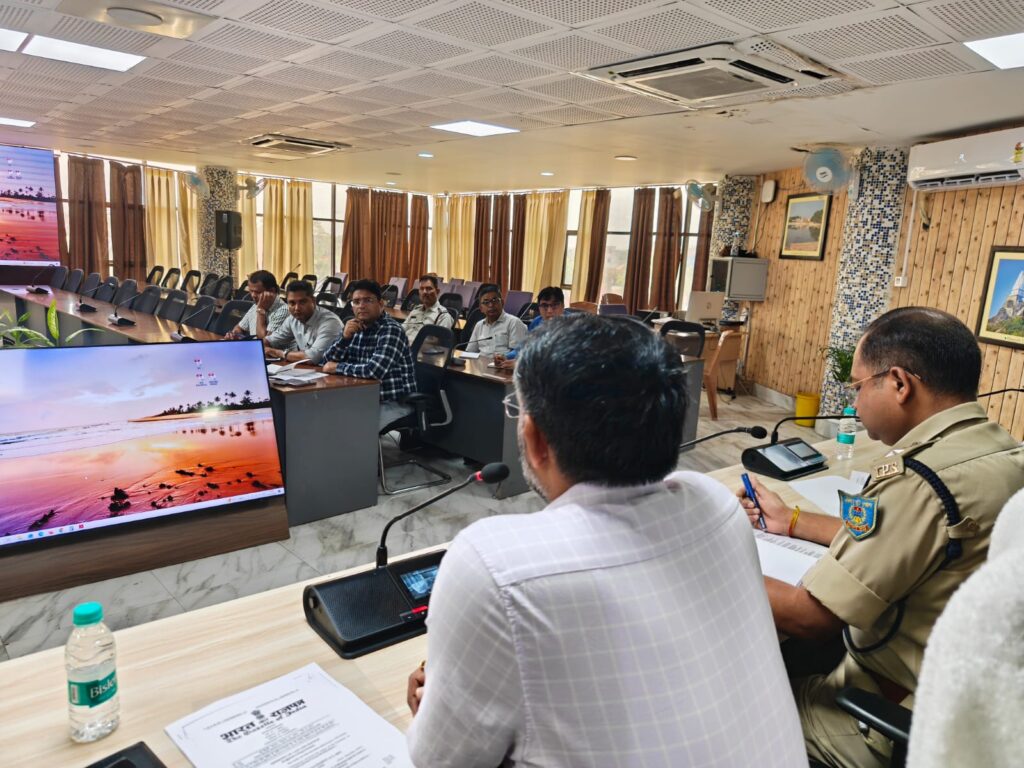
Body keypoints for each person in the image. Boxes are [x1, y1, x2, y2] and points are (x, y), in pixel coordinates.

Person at [406, 314, 806, 767]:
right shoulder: (718, 504)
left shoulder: (495, 565)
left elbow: (442, 760)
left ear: (535, 438)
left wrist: (436, 704)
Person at [737, 307, 1024, 768]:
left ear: (898, 383)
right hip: (971, 704)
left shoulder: (920, 480)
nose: (853, 405)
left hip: (884, 717)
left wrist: (718, 558)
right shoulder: (999, 451)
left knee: (728, 702)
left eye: (857, 387)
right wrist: (790, 520)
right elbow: (906, 542)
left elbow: (810, 617)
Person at [322, 279, 416, 430]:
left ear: (381, 304)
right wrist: (344, 339)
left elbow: (374, 371)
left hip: (392, 402)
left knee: (349, 429)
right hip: (362, 398)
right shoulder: (353, 326)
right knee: (323, 417)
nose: (361, 306)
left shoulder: (391, 330)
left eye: (368, 300)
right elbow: (326, 362)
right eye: (356, 302)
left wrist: (338, 367)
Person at [263, 280, 342, 364]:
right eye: (292, 303)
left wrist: (277, 353)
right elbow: (269, 340)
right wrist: (261, 346)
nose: (297, 308)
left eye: (302, 302)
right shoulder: (292, 319)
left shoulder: (330, 323)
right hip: (307, 369)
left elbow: (313, 357)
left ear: (313, 301)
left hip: (332, 370)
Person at [497, 285, 564, 368]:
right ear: (539, 307)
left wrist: (524, 364)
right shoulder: (537, 322)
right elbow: (523, 347)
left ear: (562, 306)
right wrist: (506, 357)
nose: (549, 311)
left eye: (554, 305)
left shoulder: (573, 326)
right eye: (545, 306)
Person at [464, 283, 526, 358]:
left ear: (502, 303)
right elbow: (470, 351)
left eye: (495, 301)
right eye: (486, 302)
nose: (491, 305)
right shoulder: (479, 325)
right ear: (481, 308)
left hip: (503, 364)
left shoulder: (514, 322)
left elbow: (519, 353)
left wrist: (504, 358)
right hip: (481, 364)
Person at [225, 270, 289, 341]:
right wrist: (234, 335)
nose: (253, 295)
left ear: (271, 291)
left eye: (257, 292)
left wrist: (260, 311)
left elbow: (263, 341)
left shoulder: (283, 310)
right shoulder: (256, 305)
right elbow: (239, 328)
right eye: (251, 291)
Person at [401, 275, 454, 345]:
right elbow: (401, 330)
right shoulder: (415, 310)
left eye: (429, 288)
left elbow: (438, 344)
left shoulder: (443, 316)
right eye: (421, 288)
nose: (424, 292)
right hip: (402, 346)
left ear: (437, 291)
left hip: (418, 350)